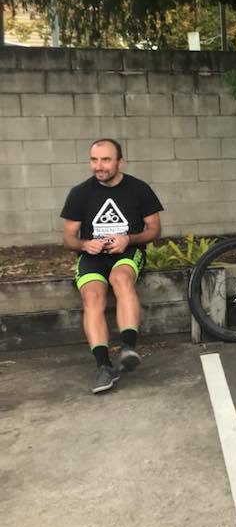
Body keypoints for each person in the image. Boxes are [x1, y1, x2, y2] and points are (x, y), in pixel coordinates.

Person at [60, 138, 163, 394]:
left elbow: (154, 230)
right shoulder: (80, 193)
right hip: (92, 256)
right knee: (92, 296)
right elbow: (68, 239)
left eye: (105, 160)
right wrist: (85, 244)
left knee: (120, 278)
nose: (99, 166)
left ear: (120, 161)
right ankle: (103, 366)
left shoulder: (139, 189)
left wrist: (129, 239)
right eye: (94, 160)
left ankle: (128, 347)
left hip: (128, 252)